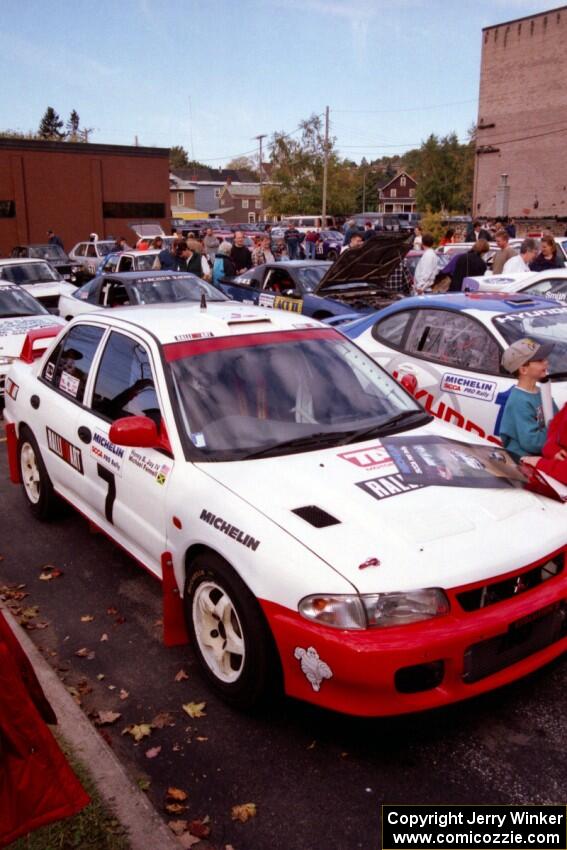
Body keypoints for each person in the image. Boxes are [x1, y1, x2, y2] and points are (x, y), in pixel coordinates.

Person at [499, 338, 556, 462]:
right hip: (523, 461)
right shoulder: (518, 400)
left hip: (543, 454)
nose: (546, 362)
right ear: (523, 370)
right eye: (540, 360)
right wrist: (555, 432)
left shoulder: (542, 392)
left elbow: (558, 421)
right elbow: (532, 442)